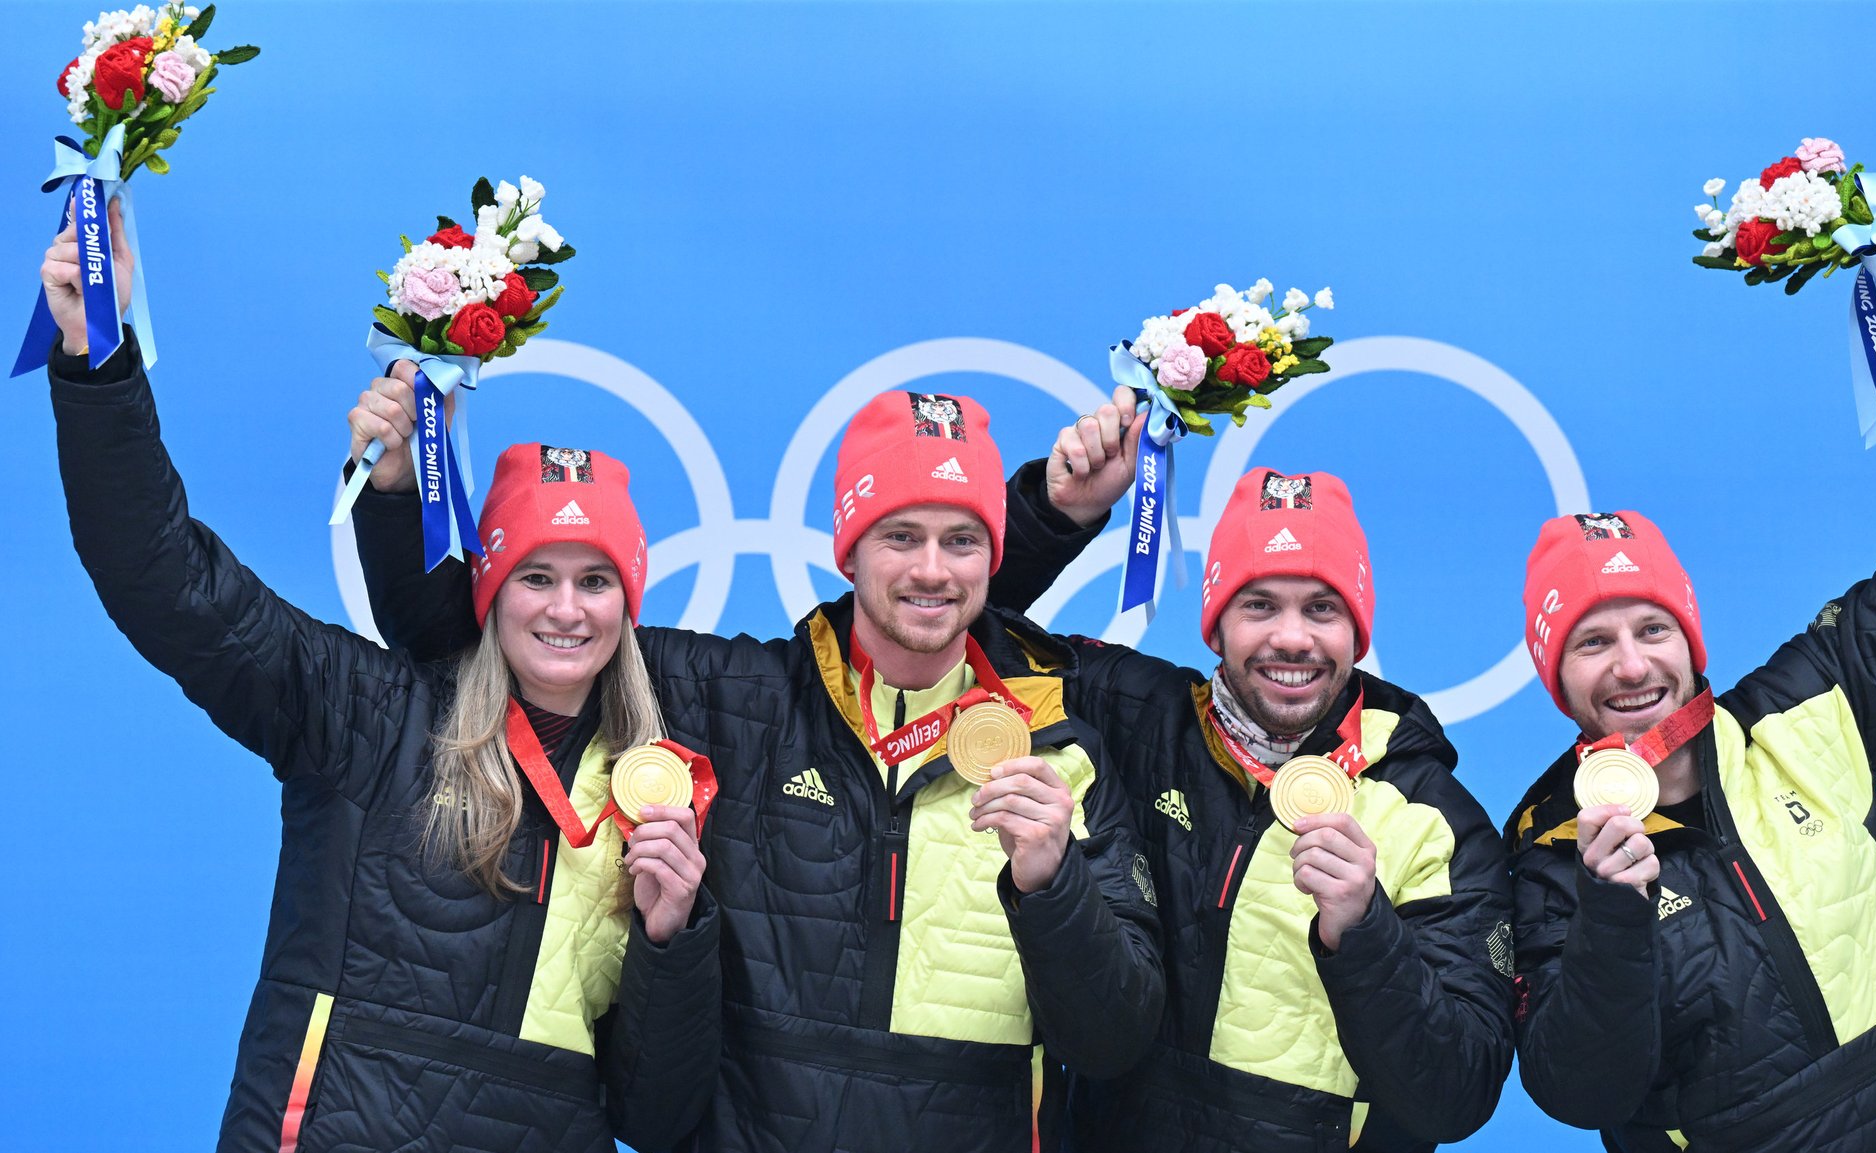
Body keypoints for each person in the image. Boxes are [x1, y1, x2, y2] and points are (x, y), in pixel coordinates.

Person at [38, 215, 720, 1152]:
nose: (567, 609)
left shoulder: (659, 793)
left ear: (629, 600)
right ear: (489, 587)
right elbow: (165, 581)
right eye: (536, 575)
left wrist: (672, 939)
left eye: (595, 579)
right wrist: (95, 358)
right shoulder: (364, 716)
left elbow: (659, 1116)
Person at [350, 384, 1165, 1150]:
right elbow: (486, 637)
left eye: (962, 541)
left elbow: (1114, 1042)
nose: (931, 568)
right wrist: (394, 490)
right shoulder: (733, 702)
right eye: (899, 536)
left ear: (989, 559)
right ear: (849, 549)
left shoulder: (1059, 757)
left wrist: (1052, 887)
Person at [1506, 212, 1876, 1153]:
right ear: (1556, 679)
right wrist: (1610, 918)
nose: (1631, 665)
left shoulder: (1809, 706)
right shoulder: (1548, 851)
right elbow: (1577, 1086)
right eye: (1592, 642)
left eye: (1653, 628)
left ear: (1690, 639)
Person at [988, 420, 1516, 1151]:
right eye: (1260, 604)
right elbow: (950, 622)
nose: (1292, 638)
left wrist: (1365, 934)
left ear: (1357, 633)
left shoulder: (1435, 818)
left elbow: (1459, 1094)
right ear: (1216, 625)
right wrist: (1055, 514)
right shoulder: (1131, 716)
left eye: (1321, 608)